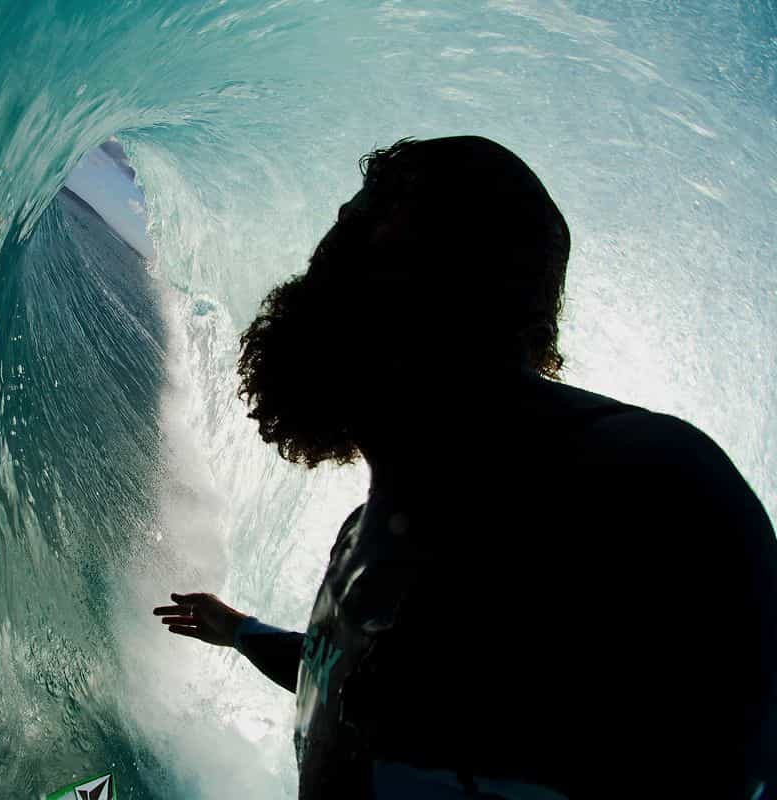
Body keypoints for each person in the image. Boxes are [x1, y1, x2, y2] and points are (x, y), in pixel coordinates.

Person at [152, 136, 776, 799]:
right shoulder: (361, 536)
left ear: (451, 266)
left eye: (368, 214)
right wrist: (240, 631)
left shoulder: (648, 481)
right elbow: (337, 676)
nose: (333, 236)